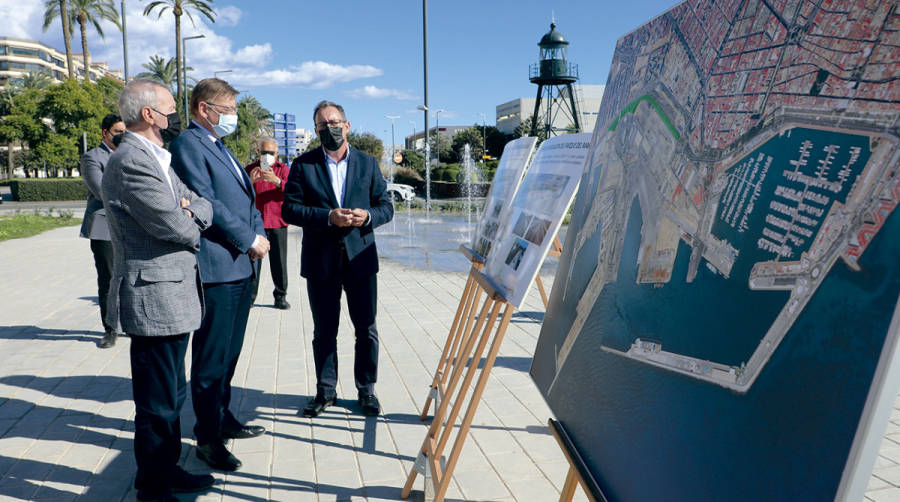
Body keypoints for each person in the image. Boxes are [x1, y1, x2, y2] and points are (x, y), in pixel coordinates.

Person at [101, 79, 214, 502]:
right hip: (154, 296)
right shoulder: (131, 160)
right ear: (149, 114)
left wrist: (192, 210)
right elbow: (178, 225)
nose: (174, 113)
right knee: (156, 403)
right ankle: (152, 487)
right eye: (169, 106)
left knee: (172, 393)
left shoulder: (156, 158)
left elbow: (199, 202)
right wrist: (191, 214)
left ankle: (168, 471)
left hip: (172, 294)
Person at [170, 78, 268, 472]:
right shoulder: (188, 146)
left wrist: (257, 232)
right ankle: (207, 439)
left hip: (241, 264)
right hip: (217, 267)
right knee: (211, 358)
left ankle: (223, 418)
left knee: (230, 353)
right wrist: (248, 238)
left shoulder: (220, 146)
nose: (232, 116)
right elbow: (205, 203)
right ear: (203, 109)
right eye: (226, 109)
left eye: (233, 108)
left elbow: (246, 199)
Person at [282, 100, 393, 418]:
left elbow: (386, 205)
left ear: (346, 125)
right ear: (316, 130)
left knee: (366, 329)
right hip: (321, 261)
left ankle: (366, 390)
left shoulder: (368, 163)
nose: (328, 128)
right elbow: (290, 209)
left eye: (333, 122)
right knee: (324, 330)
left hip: (360, 259)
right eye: (321, 124)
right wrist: (328, 217)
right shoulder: (303, 165)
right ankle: (325, 391)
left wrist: (368, 216)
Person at [79, 113, 126, 348]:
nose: (122, 136)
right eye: (118, 132)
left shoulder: (130, 155)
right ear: (105, 133)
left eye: (124, 132)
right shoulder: (92, 157)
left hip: (131, 225)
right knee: (109, 279)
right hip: (103, 224)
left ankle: (132, 324)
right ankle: (110, 329)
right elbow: (101, 191)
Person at [245, 137, 291, 310]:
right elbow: (238, 191)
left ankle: (280, 296)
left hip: (277, 221)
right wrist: (250, 182)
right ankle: (250, 297)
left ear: (277, 154)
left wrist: (276, 180)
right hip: (256, 223)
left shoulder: (283, 169)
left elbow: (292, 190)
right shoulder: (250, 169)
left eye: (271, 153)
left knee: (279, 262)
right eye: (264, 152)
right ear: (258, 153)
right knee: (254, 261)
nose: (267, 156)